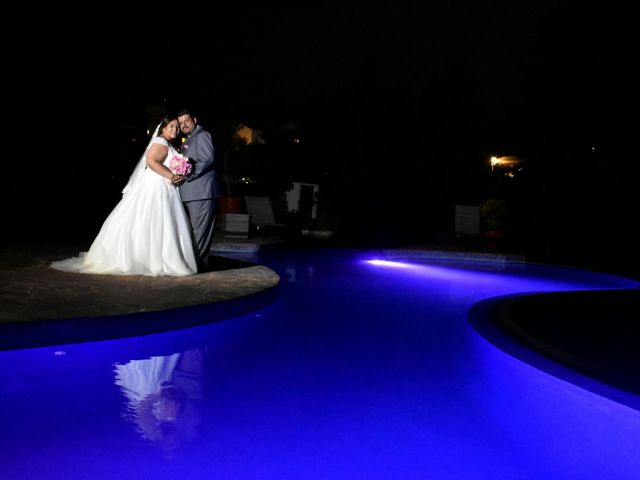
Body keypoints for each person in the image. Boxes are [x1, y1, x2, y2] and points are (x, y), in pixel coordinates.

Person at [50, 115, 198, 276]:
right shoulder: (161, 142)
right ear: (163, 128)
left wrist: (178, 172)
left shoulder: (167, 143)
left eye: (177, 127)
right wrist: (171, 175)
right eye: (171, 126)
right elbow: (151, 162)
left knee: (159, 222)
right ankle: (151, 258)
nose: (175, 129)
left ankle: (155, 256)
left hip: (164, 186)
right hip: (156, 186)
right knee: (153, 220)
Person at [177, 109, 220, 272]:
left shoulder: (202, 135)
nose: (184, 125)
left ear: (194, 119)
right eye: (181, 123)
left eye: (186, 121)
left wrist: (187, 175)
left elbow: (207, 159)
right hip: (190, 193)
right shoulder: (189, 138)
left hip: (201, 193)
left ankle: (198, 268)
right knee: (193, 233)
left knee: (199, 233)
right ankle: (192, 265)